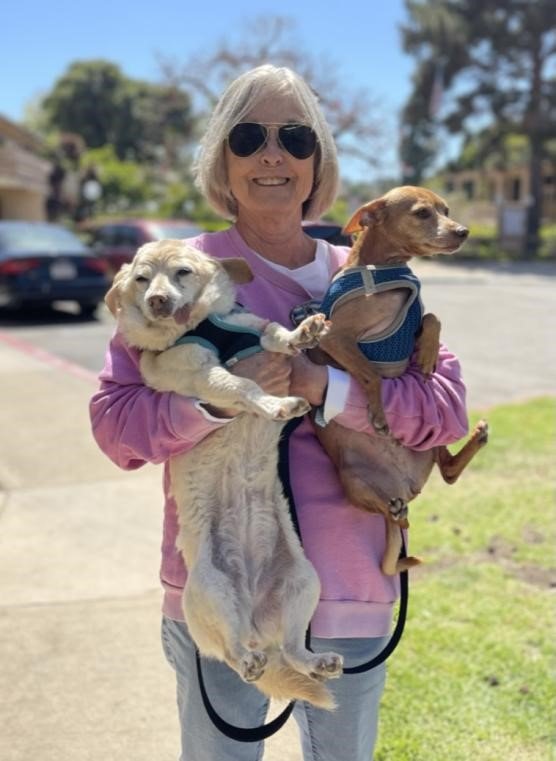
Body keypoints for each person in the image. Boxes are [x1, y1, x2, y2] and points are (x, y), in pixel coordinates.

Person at [90, 64, 469, 761]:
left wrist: (329, 390)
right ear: (220, 160)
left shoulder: (369, 273)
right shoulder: (173, 274)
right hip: (221, 590)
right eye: (249, 136)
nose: (273, 153)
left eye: (295, 137)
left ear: (317, 161)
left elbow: (446, 411)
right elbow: (115, 426)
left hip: (349, 591)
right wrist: (209, 402)